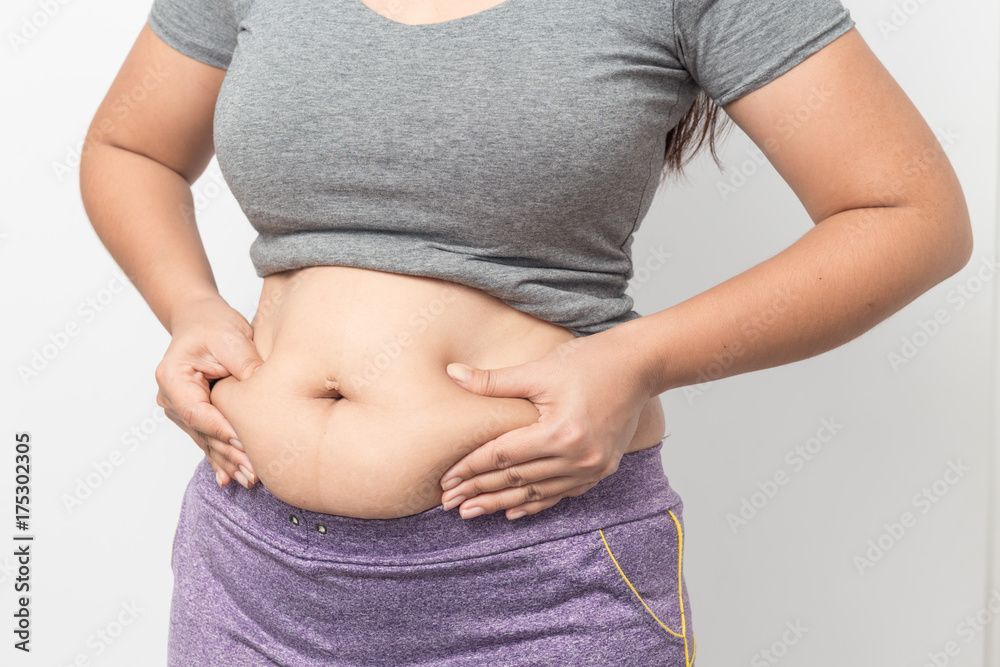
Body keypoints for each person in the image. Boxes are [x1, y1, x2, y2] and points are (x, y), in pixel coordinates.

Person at [78, 0, 972, 664]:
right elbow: (131, 148)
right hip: (248, 567)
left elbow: (910, 214)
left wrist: (638, 357)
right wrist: (189, 306)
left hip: (532, 582)